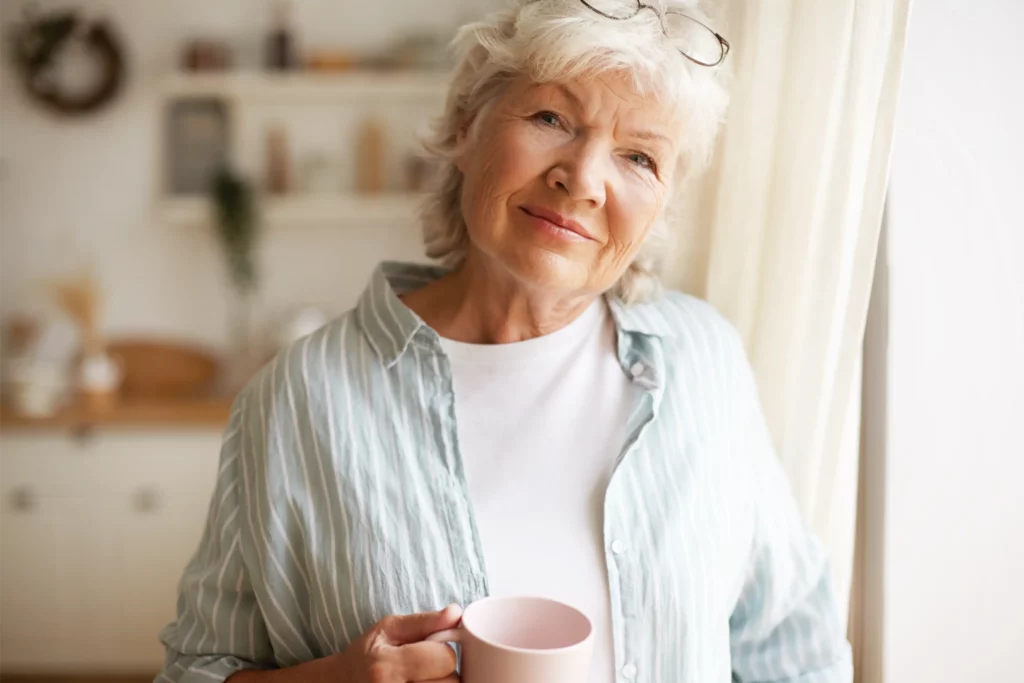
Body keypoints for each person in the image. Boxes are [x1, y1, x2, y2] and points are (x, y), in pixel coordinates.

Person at [156, 1, 853, 681]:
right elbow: (197, 669)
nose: (582, 179)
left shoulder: (707, 360)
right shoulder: (298, 397)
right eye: (552, 117)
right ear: (465, 125)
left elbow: (794, 648)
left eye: (639, 158)